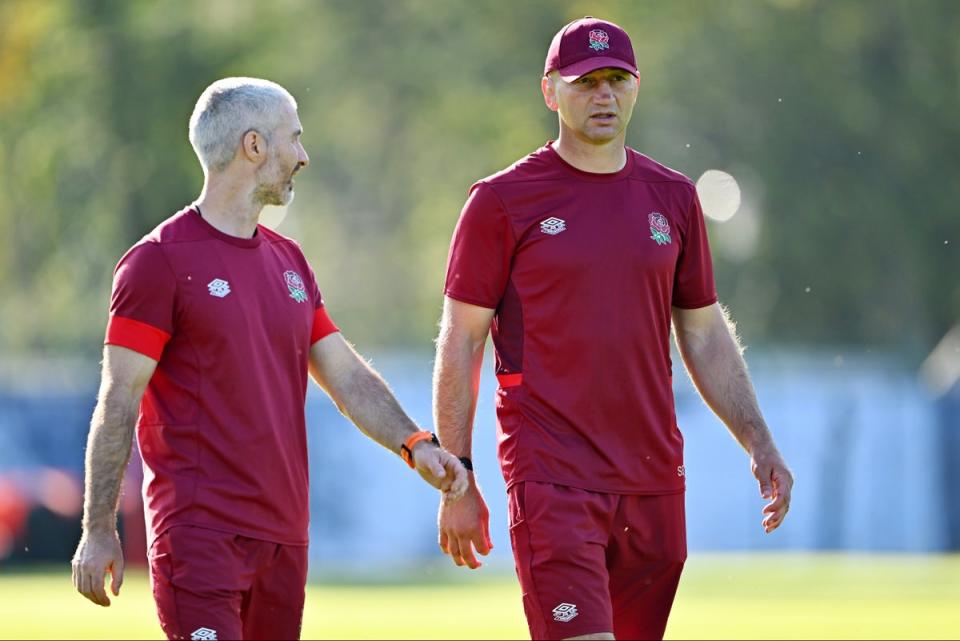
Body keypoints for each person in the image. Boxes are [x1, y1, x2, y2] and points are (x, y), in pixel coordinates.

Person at [433, 17, 794, 641]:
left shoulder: (674, 199)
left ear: (635, 87)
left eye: (617, 80)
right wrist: (456, 476)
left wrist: (759, 441)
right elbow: (460, 340)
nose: (604, 95)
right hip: (552, 476)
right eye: (585, 82)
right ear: (550, 91)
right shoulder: (500, 202)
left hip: (653, 478)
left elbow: (704, 334)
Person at [71, 77, 468, 641]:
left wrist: (416, 444)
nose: (304, 156)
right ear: (254, 146)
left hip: (284, 539)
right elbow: (118, 402)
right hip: (198, 535)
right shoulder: (156, 263)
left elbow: (346, 375)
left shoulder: (291, 262)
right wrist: (97, 528)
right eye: (295, 139)